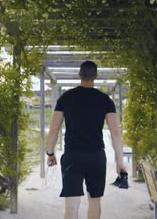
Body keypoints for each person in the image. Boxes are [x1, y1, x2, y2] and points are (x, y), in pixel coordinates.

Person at [46, 60, 127, 219]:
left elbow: (54, 129)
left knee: (71, 206)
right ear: (96, 76)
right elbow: (116, 133)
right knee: (95, 202)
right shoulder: (105, 100)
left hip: (72, 157)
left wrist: (50, 153)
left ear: (79, 75)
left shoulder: (66, 98)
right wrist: (120, 162)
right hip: (96, 157)